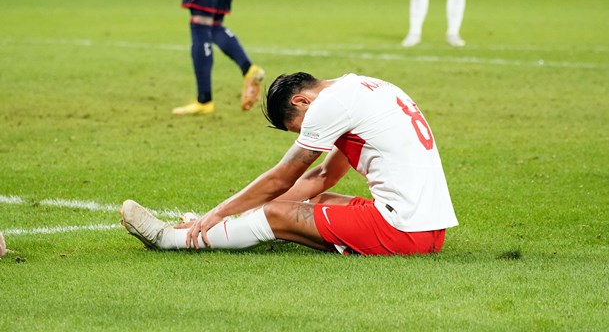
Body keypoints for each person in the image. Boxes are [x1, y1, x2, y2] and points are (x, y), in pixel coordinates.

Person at [121, 72, 459, 256]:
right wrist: (233, 214)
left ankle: (168, 239)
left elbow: (282, 178)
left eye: (299, 128)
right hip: (429, 230)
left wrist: (218, 213)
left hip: (402, 230)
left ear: (301, 100)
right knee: (314, 202)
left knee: (276, 213)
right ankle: (232, 230)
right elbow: (324, 176)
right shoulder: (364, 89)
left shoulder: (329, 105)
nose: (305, 135)